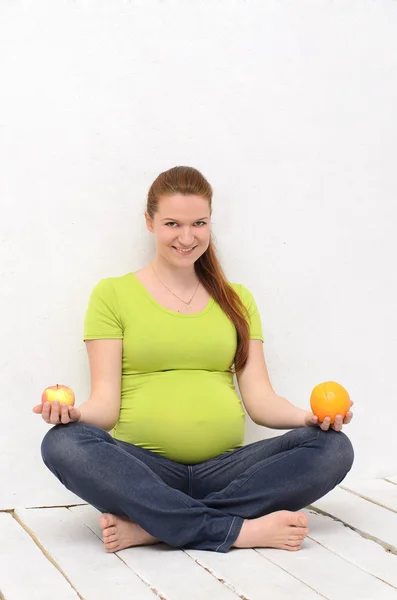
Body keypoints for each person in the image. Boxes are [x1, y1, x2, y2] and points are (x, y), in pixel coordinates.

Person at [33, 166, 354, 554]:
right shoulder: (112, 295)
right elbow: (105, 405)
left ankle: (157, 526)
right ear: (150, 222)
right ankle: (235, 530)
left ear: (209, 222)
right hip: (143, 474)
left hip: (228, 473)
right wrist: (72, 417)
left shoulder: (237, 299)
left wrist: (311, 418)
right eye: (172, 223)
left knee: (334, 448)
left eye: (198, 223)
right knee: (62, 444)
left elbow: (261, 401)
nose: (187, 237)